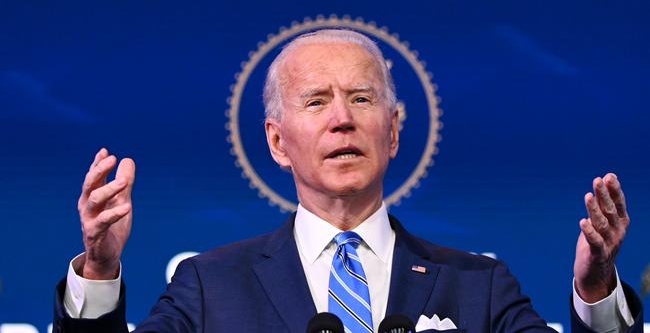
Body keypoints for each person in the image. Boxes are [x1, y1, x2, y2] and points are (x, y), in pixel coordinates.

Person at [53, 29, 643, 333]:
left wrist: (595, 292)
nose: (342, 118)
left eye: (362, 98)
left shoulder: (479, 289)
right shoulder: (209, 288)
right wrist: (100, 271)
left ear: (391, 134)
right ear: (278, 142)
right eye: (316, 101)